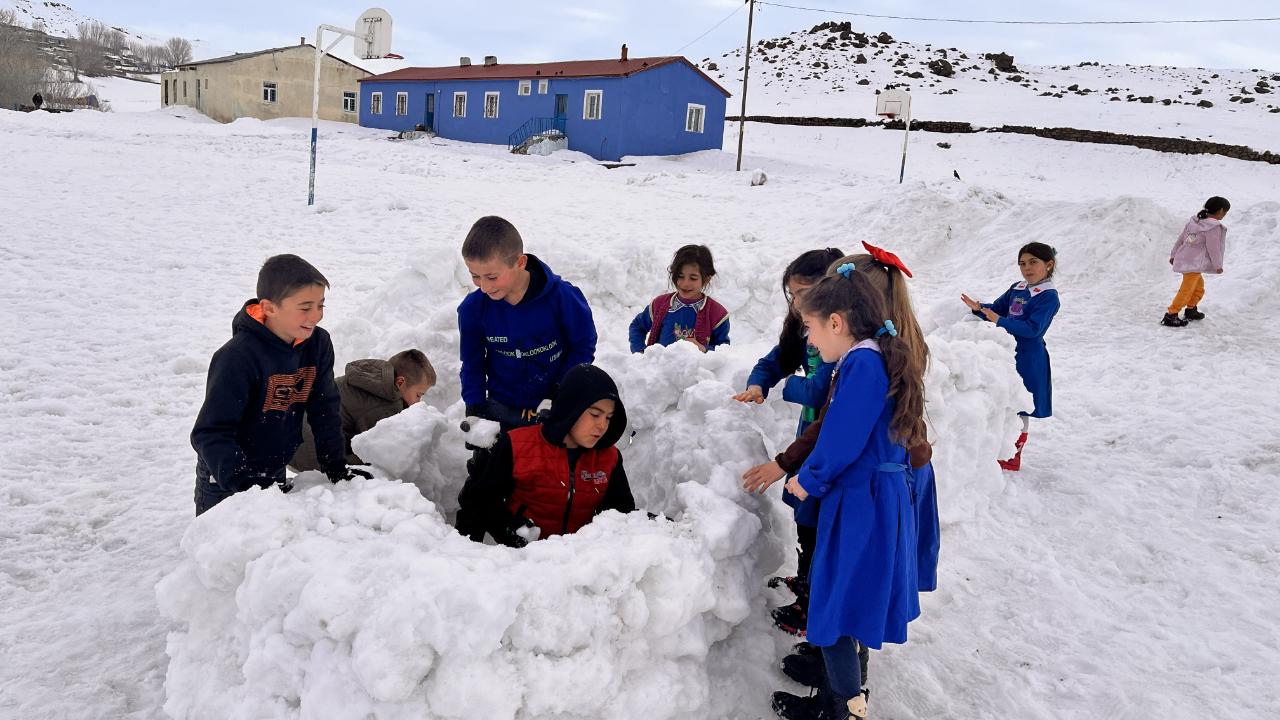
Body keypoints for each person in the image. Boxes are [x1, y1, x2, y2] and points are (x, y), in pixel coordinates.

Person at [746, 245, 938, 711]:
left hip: (863, 501)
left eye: (809, 326)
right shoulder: (882, 351)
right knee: (846, 603)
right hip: (874, 496)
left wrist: (809, 478)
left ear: (837, 318)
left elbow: (840, 432)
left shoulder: (862, 361)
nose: (807, 342)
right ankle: (839, 689)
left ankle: (842, 703)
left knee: (837, 604)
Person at [190, 255, 369, 516]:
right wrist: (243, 485)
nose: (316, 316)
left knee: (271, 549)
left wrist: (335, 466)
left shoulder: (317, 344)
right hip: (225, 476)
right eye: (305, 307)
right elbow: (211, 432)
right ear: (270, 308)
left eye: (321, 306)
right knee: (224, 552)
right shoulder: (237, 357)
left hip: (273, 468)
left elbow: (325, 407)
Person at [733, 248, 843, 627]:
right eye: (792, 294)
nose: (796, 303)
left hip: (829, 440)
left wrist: (788, 388)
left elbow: (815, 391)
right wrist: (759, 383)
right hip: (810, 434)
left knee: (819, 516)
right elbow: (775, 359)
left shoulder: (839, 334)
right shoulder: (804, 326)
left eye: (804, 292)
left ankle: (813, 603)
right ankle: (807, 580)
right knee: (805, 512)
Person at [455, 364, 636, 545]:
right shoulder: (517, 445)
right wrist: (508, 528)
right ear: (571, 408)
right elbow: (481, 501)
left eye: (609, 417)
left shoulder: (608, 458)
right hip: (522, 562)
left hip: (581, 563)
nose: (602, 426)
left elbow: (622, 515)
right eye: (595, 415)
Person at [458, 215, 597, 431]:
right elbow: (472, 361)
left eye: (492, 277)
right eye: (475, 276)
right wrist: (474, 407)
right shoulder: (473, 309)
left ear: (520, 263)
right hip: (501, 406)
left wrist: (560, 391)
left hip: (554, 404)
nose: (483, 287)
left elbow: (582, 345)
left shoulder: (563, 297)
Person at [961, 242, 1061, 471]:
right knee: (1003, 400)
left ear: (1049, 264)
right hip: (1006, 352)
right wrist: (979, 308)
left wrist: (999, 320)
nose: (1027, 268)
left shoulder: (1049, 297)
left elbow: (1033, 329)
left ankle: (1013, 455)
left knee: (1020, 404)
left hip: (1029, 356)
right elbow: (997, 309)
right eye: (1022, 263)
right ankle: (997, 448)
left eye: (1033, 262)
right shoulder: (1017, 288)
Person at [290, 349, 436, 471]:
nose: (419, 402)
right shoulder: (382, 405)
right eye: (418, 395)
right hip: (311, 454)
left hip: (291, 438)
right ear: (400, 382)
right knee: (375, 465)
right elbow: (378, 450)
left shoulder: (371, 379)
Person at [629, 244, 730, 353]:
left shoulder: (717, 314)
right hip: (658, 368)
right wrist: (640, 352)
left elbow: (723, 350)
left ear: (706, 279)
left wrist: (704, 348)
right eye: (680, 276)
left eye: (693, 278)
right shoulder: (659, 305)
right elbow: (637, 326)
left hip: (694, 370)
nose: (685, 284)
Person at [1162, 196, 1229, 327]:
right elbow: (1214, 248)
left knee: (1198, 288)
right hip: (1194, 264)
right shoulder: (1212, 227)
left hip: (1187, 261)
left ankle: (1191, 309)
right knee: (1186, 290)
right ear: (1221, 210)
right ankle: (1171, 315)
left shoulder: (1195, 222)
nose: (1225, 215)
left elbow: (1181, 239)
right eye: (1225, 212)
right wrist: (1217, 265)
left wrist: (1174, 254)